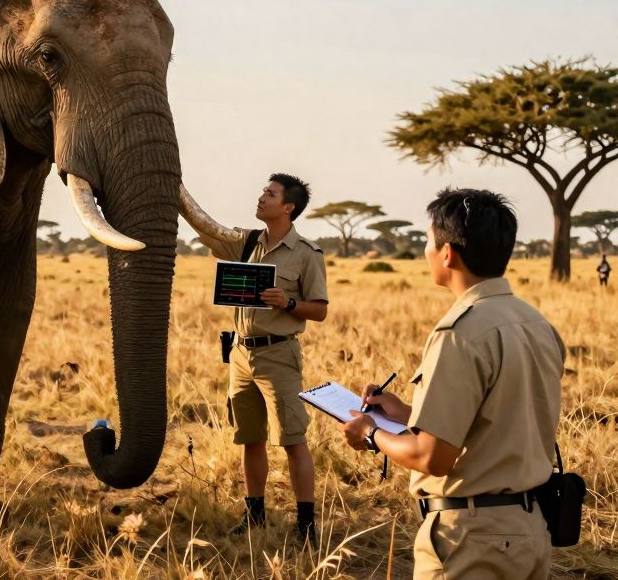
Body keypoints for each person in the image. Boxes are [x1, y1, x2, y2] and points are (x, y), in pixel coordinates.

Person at [338, 188, 565, 579]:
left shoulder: (459, 333)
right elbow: (499, 421)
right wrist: (407, 414)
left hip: (473, 538)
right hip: (530, 530)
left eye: (428, 240)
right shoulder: (536, 323)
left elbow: (432, 458)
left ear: (447, 253)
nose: (425, 250)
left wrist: (371, 432)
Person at [187, 173, 329, 544]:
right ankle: (254, 515)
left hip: (279, 354)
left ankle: (306, 525)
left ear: (288, 207)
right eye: (264, 191)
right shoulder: (247, 243)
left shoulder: (307, 254)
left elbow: (320, 310)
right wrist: (175, 195)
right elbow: (208, 231)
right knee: (250, 438)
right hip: (240, 354)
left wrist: (289, 303)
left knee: (293, 439)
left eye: (271, 193)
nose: (262, 197)